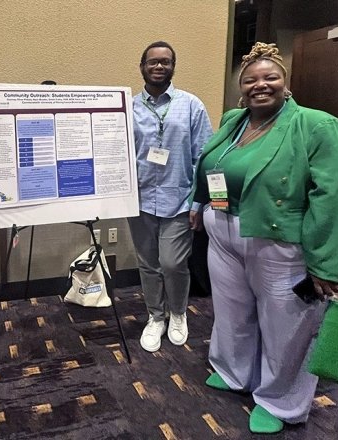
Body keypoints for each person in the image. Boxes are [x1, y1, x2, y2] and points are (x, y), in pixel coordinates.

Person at [192, 42, 338, 434]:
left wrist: (327, 263)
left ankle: (281, 401)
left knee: (286, 325)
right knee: (230, 311)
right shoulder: (234, 120)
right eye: (251, 80)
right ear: (241, 87)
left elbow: (332, 197)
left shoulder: (316, 125)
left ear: (286, 83)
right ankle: (233, 371)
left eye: (270, 77)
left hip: (280, 243)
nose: (261, 85)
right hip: (223, 230)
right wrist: (200, 203)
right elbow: (214, 166)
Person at [128, 41, 213, 352]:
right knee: (148, 263)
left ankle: (177, 313)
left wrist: (198, 202)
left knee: (173, 263)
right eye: (153, 61)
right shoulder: (128, 108)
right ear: (142, 67)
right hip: (138, 199)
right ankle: (156, 316)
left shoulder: (191, 105)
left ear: (173, 67)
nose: (159, 66)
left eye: (165, 62)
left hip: (179, 200)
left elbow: (204, 157)